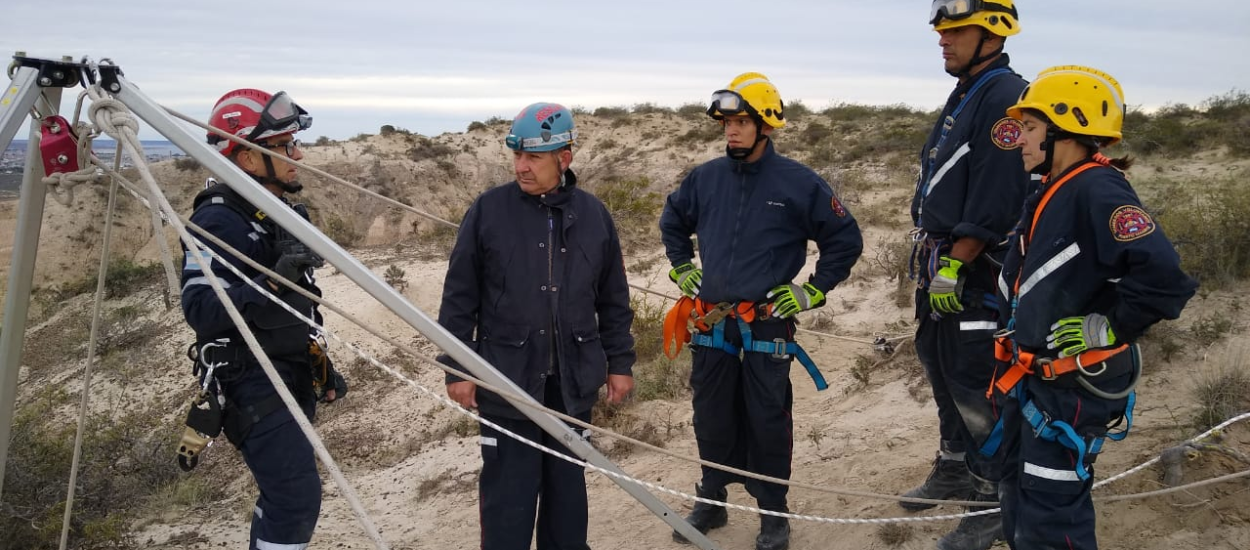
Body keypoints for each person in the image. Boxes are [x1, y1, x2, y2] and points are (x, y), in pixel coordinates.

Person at [990, 65, 1196, 549]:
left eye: (1031, 127)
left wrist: (1107, 327)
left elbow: (1166, 281)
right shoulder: (1054, 188)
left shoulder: (1098, 190)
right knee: (1020, 502)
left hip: (1067, 390)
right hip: (1035, 383)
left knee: (1051, 520)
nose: (1019, 138)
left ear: (1067, 130)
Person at [660, 72, 863, 550]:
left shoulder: (798, 183)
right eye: (726, 121)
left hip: (766, 324)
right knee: (710, 415)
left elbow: (844, 240)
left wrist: (813, 291)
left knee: (767, 417)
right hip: (711, 325)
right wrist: (680, 266)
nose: (731, 130)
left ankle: (773, 511)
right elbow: (673, 221)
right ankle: (711, 499)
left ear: (766, 125)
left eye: (742, 121)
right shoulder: (705, 178)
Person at [436, 102, 636, 550]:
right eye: (517, 156)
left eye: (533, 158)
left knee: (567, 506)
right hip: (506, 383)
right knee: (508, 504)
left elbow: (613, 299)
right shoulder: (489, 210)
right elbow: (459, 296)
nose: (521, 167)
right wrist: (457, 367)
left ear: (564, 158)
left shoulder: (594, 215)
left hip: (572, 387)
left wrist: (619, 362)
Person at [181, 88, 346, 550]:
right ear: (249, 160)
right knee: (294, 498)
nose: (298, 155)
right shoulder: (218, 222)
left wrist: (320, 361)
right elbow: (200, 310)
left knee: (287, 499)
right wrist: (272, 279)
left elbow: (298, 304)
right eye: (286, 146)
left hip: (286, 369)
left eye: (295, 143)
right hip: (250, 379)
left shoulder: (274, 215)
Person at [900, 2, 1030, 548]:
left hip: (976, 271)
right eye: (941, 30)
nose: (942, 40)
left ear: (993, 32)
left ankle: (992, 497)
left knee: (976, 381)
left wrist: (960, 256)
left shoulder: (1004, 96)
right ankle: (954, 464)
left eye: (955, 30)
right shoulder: (970, 89)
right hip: (945, 265)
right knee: (939, 363)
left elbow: (1000, 188)